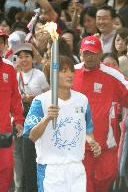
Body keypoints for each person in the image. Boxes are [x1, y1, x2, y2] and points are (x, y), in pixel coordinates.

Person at [23, 55, 101, 192]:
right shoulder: (40, 101)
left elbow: (87, 130)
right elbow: (31, 136)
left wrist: (92, 142)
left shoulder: (82, 100)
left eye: (71, 70)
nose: (70, 74)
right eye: (64, 71)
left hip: (76, 167)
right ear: (52, 75)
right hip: (51, 169)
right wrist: (47, 118)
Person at [72, 35, 128, 192]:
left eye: (93, 53)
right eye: (86, 53)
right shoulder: (71, 72)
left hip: (105, 147)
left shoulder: (113, 75)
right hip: (78, 147)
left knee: (104, 183)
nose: (89, 57)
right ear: (80, 53)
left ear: (101, 53)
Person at [13, 42, 49, 192]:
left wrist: (34, 98)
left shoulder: (39, 75)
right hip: (19, 118)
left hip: (37, 119)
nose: (24, 60)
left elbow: (48, 96)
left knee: (34, 154)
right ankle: (21, 187)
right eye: (20, 57)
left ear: (32, 58)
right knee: (20, 155)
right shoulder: (15, 75)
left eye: (27, 56)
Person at [0, 29, 24, 192]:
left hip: (4, 132)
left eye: (0, 42)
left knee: (6, 171)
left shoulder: (9, 68)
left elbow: (15, 99)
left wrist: (19, 121)